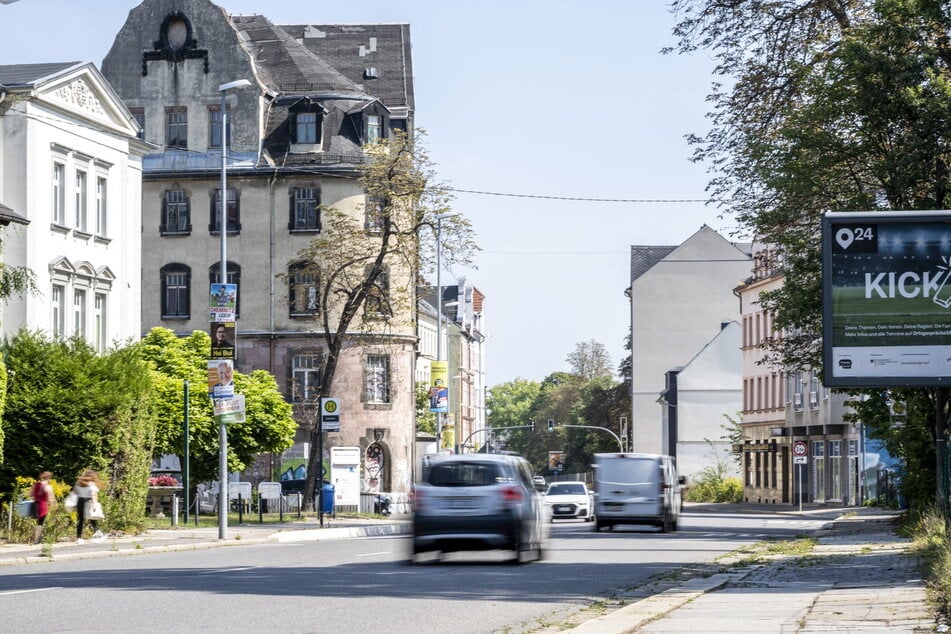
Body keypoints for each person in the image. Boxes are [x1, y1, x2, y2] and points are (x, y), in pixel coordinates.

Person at [73, 469, 104, 543]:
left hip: (79, 502)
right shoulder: (92, 484)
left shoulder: (79, 483)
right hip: (88, 502)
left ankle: (79, 537)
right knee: (92, 517)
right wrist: (94, 505)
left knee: (80, 520)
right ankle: (97, 532)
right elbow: (93, 495)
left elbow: (75, 492)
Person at [30, 471, 56, 544]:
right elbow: (51, 498)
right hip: (43, 506)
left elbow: (30, 494)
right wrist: (54, 505)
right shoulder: (48, 486)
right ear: (49, 478)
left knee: (37, 522)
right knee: (40, 523)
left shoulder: (35, 485)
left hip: (35, 505)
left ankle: (38, 538)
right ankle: (37, 540)